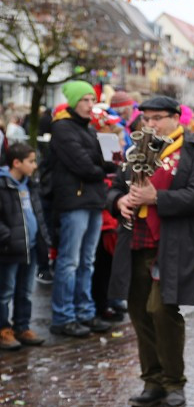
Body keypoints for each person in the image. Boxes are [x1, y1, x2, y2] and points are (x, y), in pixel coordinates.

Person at [109, 97, 194, 407]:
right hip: (135, 242)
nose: (151, 125)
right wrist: (118, 202)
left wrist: (158, 198)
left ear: (176, 118)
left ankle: (173, 382)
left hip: (172, 244)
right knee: (139, 312)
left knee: (162, 309)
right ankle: (152, 381)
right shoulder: (136, 152)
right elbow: (115, 187)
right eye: (146, 120)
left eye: (157, 118)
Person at [45, 81, 115, 338]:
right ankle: (64, 315)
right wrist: (101, 168)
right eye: (85, 100)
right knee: (69, 261)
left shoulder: (89, 129)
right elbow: (84, 165)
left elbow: (112, 161)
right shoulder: (63, 128)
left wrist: (105, 155)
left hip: (93, 198)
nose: (89, 105)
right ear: (74, 102)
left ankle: (85, 311)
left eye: (91, 99)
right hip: (74, 200)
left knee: (87, 261)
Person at [0, 143, 48, 350]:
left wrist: (44, 238)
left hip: (31, 246)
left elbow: (37, 213)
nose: (35, 165)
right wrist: (8, 237)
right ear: (16, 163)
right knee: (5, 291)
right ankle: (3, 329)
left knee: (25, 290)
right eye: (30, 161)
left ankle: (22, 325)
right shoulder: (3, 184)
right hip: (9, 249)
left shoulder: (30, 184)